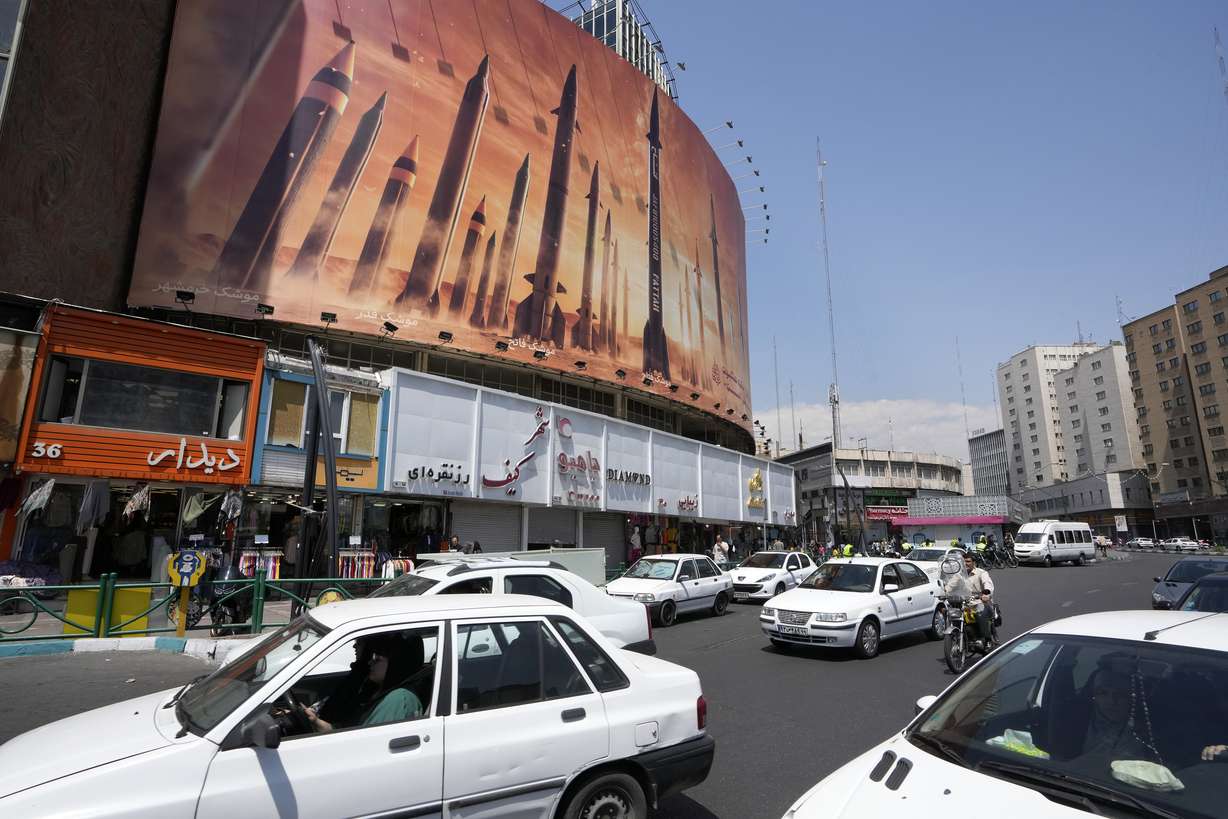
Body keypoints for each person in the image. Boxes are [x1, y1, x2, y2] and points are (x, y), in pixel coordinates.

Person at [305, 634, 425, 732]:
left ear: (396, 664)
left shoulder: (398, 699)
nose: (370, 663)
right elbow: (351, 730)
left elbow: (365, 743)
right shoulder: (376, 690)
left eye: (377, 660)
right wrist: (317, 722)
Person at [943, 553, 995, 650]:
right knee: (953, 614)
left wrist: (986, 594)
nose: (965, 563)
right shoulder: (959, 575)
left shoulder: (981, 573)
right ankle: (966, 637)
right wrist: (943, 592)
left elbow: (987, 583)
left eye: (968, 561)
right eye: (963, 561)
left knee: (980, 612)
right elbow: (949, 586)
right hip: (965, 604)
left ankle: (987, 640)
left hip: (980, 602)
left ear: (974, 562)